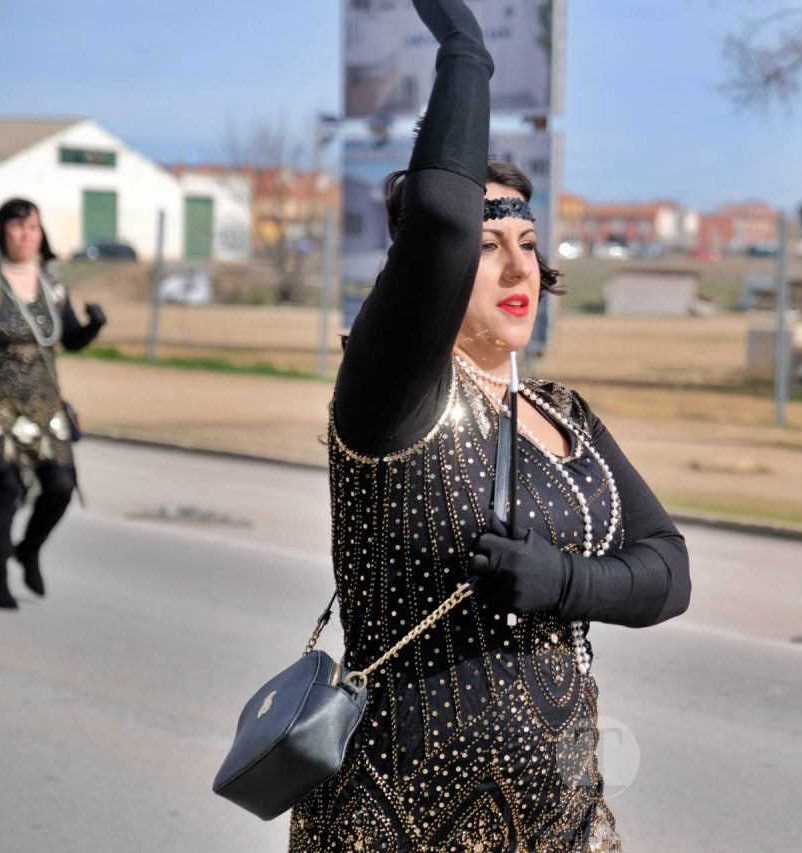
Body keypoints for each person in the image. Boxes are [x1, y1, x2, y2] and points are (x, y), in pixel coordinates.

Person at [289, 2, 690, 850]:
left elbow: (668, 571)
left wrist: (565, 581)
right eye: (486, 245)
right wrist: (466, 50)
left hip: (561, 822)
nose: (518, 266)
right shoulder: (395, 397)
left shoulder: (563, 411)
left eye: (528, 241)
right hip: (398, 822)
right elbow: (436, 221)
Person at [0, 199, 107, 609]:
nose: (26, 235)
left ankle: (28, 548)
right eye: (18, 226)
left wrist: (94, 324)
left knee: (60, 485)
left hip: (44, 400)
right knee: (2, 487)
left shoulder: (52, 285)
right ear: (2, 230)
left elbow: (70, 339)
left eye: (34, 228)